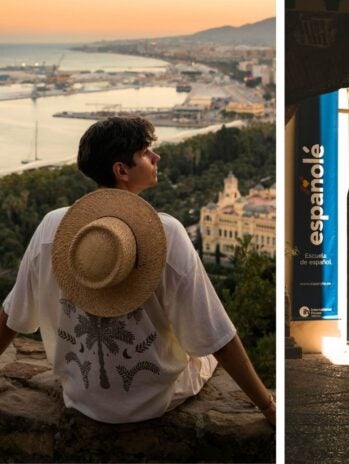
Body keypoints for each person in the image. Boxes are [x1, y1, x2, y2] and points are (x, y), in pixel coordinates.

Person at [0, 116, 276, 427]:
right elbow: (218, 338)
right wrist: (267, 406)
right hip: (153, 401)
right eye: (146, 152)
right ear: (122, 171)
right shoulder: (166, 233)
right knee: (204, 356)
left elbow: (11, 316)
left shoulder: (53, 227)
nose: (156, 157)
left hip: (81, 396)